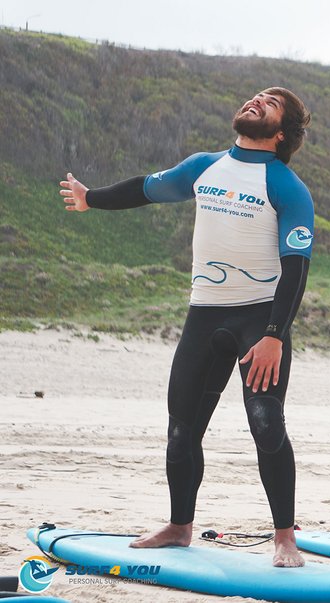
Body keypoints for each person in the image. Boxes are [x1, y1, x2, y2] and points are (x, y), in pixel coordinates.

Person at [58, 88, 315, 567]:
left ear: (281, 133)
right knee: (181, 430)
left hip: (259, 317)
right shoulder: (204, 166)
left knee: (266, 423)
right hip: (206, 314)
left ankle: (285, 537)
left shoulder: (286, 186)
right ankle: (179, 526)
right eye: (256, 96)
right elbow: (148, 188)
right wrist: (91, 198)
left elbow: (297, 267)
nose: (256, 101)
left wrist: (275, 335)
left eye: (270, 103)